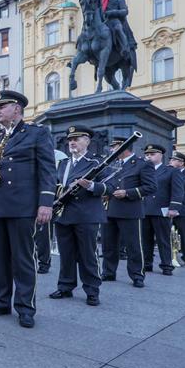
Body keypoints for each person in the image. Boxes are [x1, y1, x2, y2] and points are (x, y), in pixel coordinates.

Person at [0, 90, 56, 329]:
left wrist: (46, 202)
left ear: (17, 108)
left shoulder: (37, 133)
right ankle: (1, 301)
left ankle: (25, 307)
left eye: (2, 106)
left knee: (23, 259)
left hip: (22, 206)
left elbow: (48, 170)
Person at [49, 126, 108, 306]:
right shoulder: (63, 163)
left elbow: (110, 187)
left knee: (87, 255)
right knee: (66, 254)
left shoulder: (97, 162)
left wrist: (90, 186)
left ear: (87, 141)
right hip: (64, 214)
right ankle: (65, 286)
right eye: (70, 139)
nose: (72, 142)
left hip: (86, 216)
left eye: (77, 138)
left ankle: (92, 290)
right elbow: (56, 185)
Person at [101, 136, 156, 287]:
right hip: (109, 208)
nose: (112, 150)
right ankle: (108, 272)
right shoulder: (112, 164)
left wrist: (128, 193)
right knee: (108, 245)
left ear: (123, 147)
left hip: (130, 210)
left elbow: (151, 187)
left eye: (114, 147)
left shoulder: (142, 164)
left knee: (134, 246)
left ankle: (137, 275)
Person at [142, 144, 183, 275]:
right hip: (144, 209)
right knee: (145, 240)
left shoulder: (171, 170)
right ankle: (147, 264)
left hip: (161, 210)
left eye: (152, 154)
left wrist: (174, 208)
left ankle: (166, 265)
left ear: (160, 155)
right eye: (147, 155)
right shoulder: (143, 170)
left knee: (163, 240)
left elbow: (177, 191)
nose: (149, 157)